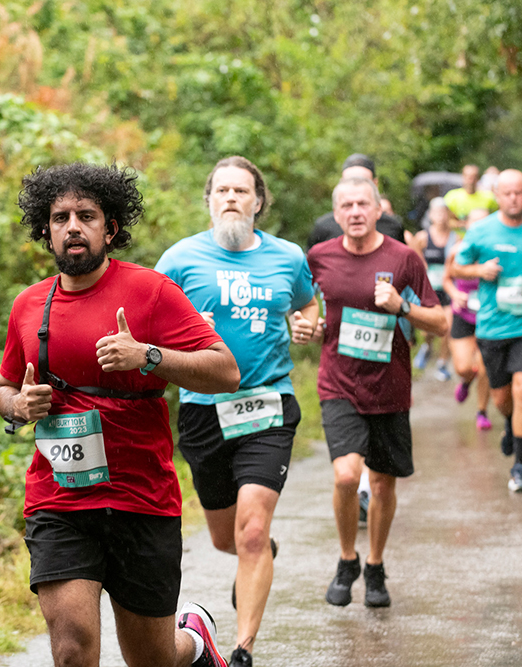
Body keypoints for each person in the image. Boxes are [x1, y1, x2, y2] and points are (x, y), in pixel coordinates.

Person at [0, 162, 241, 667]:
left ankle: (193, 643)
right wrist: (19, 406)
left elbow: (225, 372)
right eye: (60, 217)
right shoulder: (28, 305)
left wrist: (147, 356)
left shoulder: (151, 292)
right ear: (46, 230)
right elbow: (3, 388)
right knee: (71, 647)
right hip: (59, 499)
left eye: (86, 215)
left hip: (140, 498)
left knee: (151, 658)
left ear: (110, 228)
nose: (73, 227)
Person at [154, 156, 317, 667]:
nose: (230, 198)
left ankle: (242, 649)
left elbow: (307, 305)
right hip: (203, 412)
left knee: (251, 531)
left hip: (269, 405)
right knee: (228, 537)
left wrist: (309, 324)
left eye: (240, 191)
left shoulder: (288, 258)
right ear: (208, 201)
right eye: (221, 190)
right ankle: (257, 557)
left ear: (258, 202)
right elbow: (142, 321)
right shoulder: (180, 259)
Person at [307, 176, 447, 607]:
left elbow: (441, 322)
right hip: (339, 383)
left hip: (389, 386)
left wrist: (402, 306)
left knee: (383, 484)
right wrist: (308, 325)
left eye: (362, 204)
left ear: (377, 211)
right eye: (346, 205)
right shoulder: (318, 258)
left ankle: (375, 563)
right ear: (336, 214)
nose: (354, 212)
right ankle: (347, 558)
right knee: (347, 475)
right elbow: (307, 306)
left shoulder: (404, 258)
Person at [453, 170, 522, 493]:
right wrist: (479, 270)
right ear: (498, 197)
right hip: (492, 326)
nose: (514, 198)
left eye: (520, 193)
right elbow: (456, 267)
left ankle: (520, 465)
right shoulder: (480, 231)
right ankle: (510, 424)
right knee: (503, 398)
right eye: (508, 193)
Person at [443, 208, 493, 430]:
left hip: (490, 316)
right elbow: (446, 280)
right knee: (464, 367)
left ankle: (481, 411)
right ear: (466, 225)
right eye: (475, 223)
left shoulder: (496, 252)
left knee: (485, 368)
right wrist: (455, 295)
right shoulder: (457, 251)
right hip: (463, 314)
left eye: (485, 224)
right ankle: (465, 380)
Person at [307, 154, 406, 249]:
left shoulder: (392, 226)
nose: (356, 213)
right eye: (349, 181)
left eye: (363, 181)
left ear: (375, 184)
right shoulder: (324, 227)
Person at [408, 197, 457, 381]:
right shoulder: (422, 237)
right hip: (428, 289)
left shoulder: (455, 237)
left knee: (447, 327)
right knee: (428, 328)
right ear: (430, 215)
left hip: (447, 288)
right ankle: (427, 347)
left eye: (444, 212)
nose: (441, 216)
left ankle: (442, 363)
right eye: (437, 213)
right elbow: (413, 258)